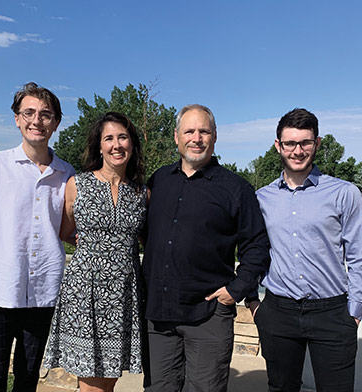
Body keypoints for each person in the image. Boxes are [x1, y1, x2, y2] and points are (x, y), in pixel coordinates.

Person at [142, 104, 270, 392]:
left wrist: (235, 291)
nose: (196, 138)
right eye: (189, 131)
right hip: (159, 315)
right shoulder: (158, 181)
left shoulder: (236, 189)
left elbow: (257, 246)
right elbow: (146, 235)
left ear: (214, 137)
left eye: (204, 131)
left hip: (209, 314)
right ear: (177, 137)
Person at [0, 82, 75, 392]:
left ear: (55, 123)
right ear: (16, 118)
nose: (36, 120)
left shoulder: (68, 175)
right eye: (28, 112)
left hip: (44, 296)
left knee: (28, 381)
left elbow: (70, 231)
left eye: (45, 114)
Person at [254, 108, 362, 392]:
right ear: (278, 145)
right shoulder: (261, 198)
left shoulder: (344, 193)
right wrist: (255, 305)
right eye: (290, 143)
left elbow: (358, 255)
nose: (297, 150)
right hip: (278, 311)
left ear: (317, 143)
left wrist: (354, 312)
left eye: (305, 142)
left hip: (333, 313)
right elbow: (252, 252)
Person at [44, 112, 147, 392]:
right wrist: (95, 251)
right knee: (91, 385)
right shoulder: (78, 185)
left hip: (123, 295)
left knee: (109, 383)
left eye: (123, 137)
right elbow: (65, 231)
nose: (116, 145)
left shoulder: (141, 193)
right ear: (99, 146)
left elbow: (147, 239)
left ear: (132, 144)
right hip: (85, 293)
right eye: (109, 138)